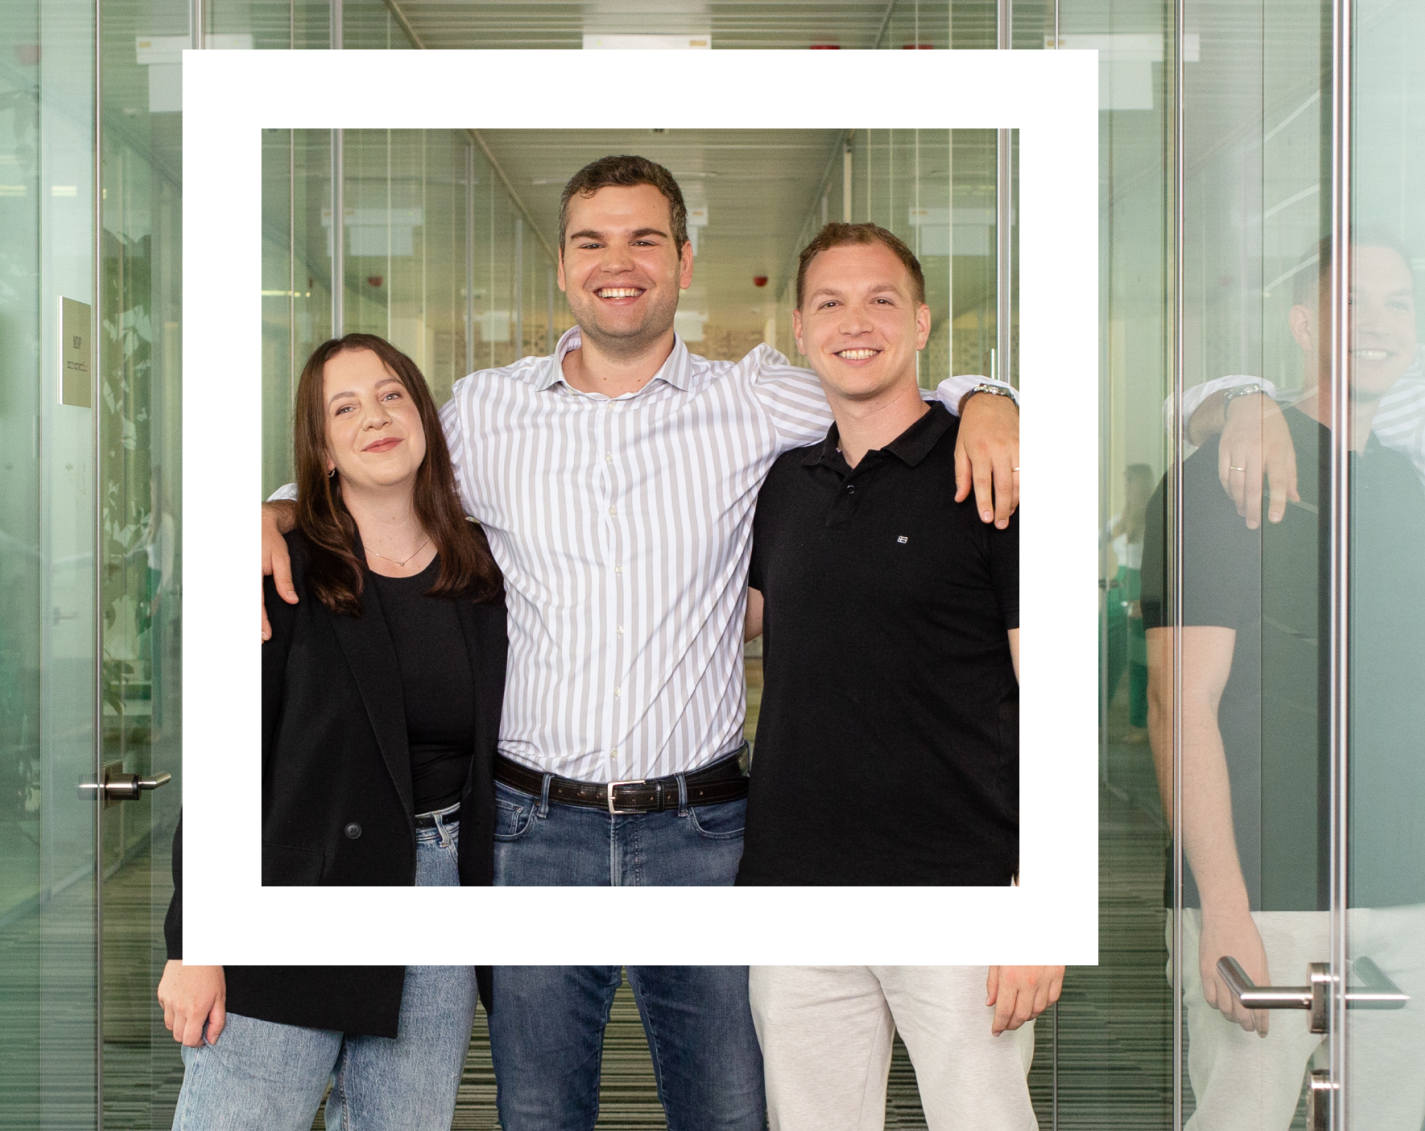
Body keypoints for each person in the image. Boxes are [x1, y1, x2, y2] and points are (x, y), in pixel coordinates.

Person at [260, 156, 1021, 1131]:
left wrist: (990, 395)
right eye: (591, 241)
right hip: (534, 834)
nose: (617, 262)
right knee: (539, 1115)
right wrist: (279, 507)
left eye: (643, 240)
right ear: (563, 267)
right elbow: (380, 471)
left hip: (701, 836)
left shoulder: (760, 402)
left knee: (729, 1114)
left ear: (683, 261)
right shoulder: (488, 413)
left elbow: (877, 384)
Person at [732, 221, 1058, 1131]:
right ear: (799, 330)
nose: (855, 321)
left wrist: (1044, 905)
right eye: (830, 302)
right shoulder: (785, 484)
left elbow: (1056, 701)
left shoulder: (992, 472)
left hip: (956, 890)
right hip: (797, 888)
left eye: (880, 299)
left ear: (920, 324)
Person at [161, 333, 507, 1131]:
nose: (374, 419)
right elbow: (225, 766)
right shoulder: (280, 567)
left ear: (423, 415)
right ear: (318, 449)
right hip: (289, 897)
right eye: (342, 408)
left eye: (391, 395)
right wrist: (195, 941)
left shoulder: (481, 564)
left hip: (437, 901)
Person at [1142, 240, 1425, 1128]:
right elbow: (1177, 702)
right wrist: (1221, 909)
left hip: (1411, 898)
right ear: (1303, 323)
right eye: (1352, 301)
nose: (1377, 325)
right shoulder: (1224, 476)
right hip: (1266, 898)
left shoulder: (1407, 474)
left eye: (1397, 303)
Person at [1105, 464, 1154, 741]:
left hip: (1141, 588)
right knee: (1105, 655)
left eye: (1131, 482)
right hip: (1118, 587)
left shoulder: (1154, 520)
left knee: (1138, 661)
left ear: (1142, 485)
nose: (1127, 488)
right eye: (1125, 483)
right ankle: (1096, 719)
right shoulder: (1118, 520)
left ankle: (1138, 725)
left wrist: (1149, 599)